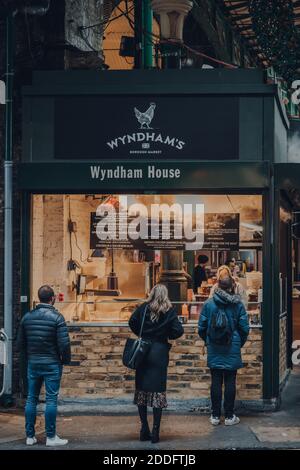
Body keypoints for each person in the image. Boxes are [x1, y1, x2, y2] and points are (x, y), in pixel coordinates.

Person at [129, 284, 184, 444]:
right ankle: (156, 432)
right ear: (165, 295)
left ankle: (144, 429)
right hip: (159, 352)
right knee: (158, 393)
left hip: (143, 352)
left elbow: (132, 322)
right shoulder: (169, 311)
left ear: (152, 294)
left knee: (142, 392)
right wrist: (166, 334)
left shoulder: (144, 308)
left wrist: (142, 332)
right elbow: (178, 331)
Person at [17, 285, 71, 446]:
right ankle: (51, 437)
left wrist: (30, 357)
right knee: (51, 400)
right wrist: (65, 360)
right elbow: (64, 345)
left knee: (31, 399)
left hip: (33, 363)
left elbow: (20, 344)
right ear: (52, 298)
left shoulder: (27, 317)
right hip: (52, 364)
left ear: (39, 298)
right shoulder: (57, 318)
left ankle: (30, 436)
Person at [198, 276, 249, 426]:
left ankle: (214, 416)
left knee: (216, 381)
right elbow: (245, 328)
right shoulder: (237, 304)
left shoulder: (208, 304)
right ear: (232, 287)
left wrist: (208, 341)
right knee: (230, 381)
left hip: (214, 346)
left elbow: (201, 328)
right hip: (232, 346)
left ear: (218, 286)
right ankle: (229, 416)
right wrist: (238, 342)